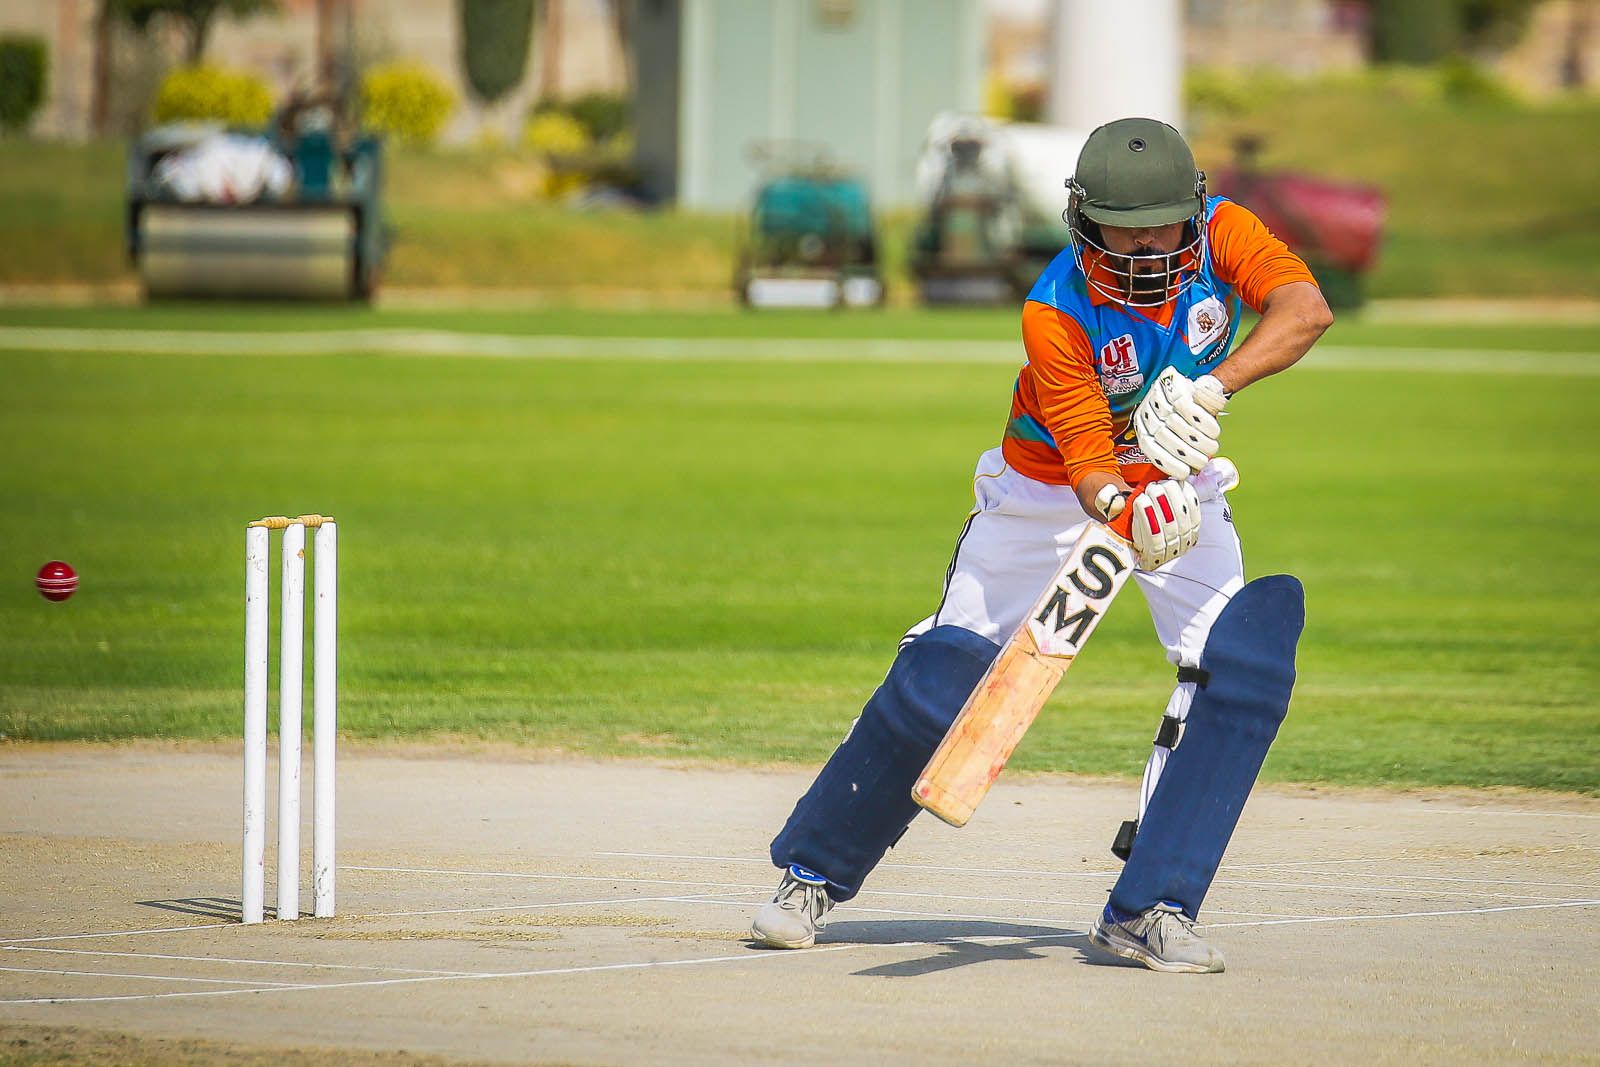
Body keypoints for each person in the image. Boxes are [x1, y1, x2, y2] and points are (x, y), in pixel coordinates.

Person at [748, 117, 1333, 973]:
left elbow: (1305, 309)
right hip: (1044, 496)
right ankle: (812, 872)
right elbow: (1088, 462)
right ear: (1083, 221)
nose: (1145, 244)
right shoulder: (1054, 308)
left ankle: (1151, 906)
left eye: (1162, 224)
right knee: (942, 678)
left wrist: (1210, 391)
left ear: (1194, 209)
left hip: (1180, 483)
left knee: (1242, 666)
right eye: (1123, 229)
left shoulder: (1225, 233)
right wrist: (1120, 506)